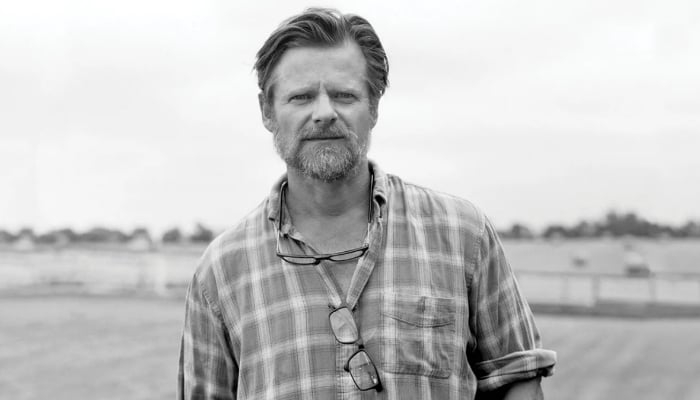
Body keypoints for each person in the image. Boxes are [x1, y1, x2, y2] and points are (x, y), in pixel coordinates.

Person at [178, 8, 556, 400]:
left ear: (373, 106)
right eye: (301, 96)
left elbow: (518, 378)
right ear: (267, 111)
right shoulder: (220, 271)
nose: (324, 113)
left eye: (344, 95)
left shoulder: (464, 234)